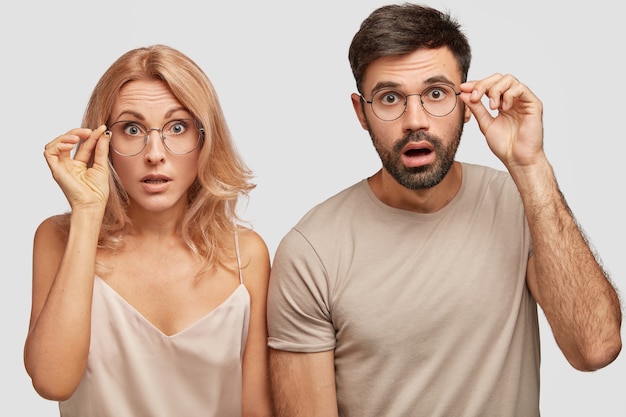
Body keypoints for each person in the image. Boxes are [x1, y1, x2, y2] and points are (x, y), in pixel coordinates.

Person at [266, 4, 622, 417]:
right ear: (361, 112)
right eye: (389, 98)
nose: (414, 120)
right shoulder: (312, 252)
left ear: (466, 101)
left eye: (436, 93)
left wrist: (531, 166)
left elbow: (595, 348)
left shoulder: (519, 201)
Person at [24, 44, 273, 417]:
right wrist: (88, 212)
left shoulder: (246, 255)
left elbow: (256, 409)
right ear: (102, 140)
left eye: (177, 127)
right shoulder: (59, 238)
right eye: (132, 128)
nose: (154, 152)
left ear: (204, 138)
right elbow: (52, 381)